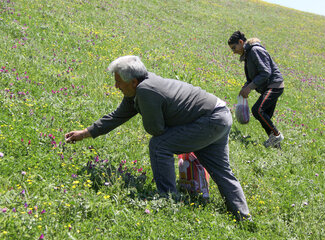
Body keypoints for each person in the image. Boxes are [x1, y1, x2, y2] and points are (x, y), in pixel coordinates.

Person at [65, 55, 251, 221]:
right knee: (221, 171)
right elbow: (117, 116)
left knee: (159, 145)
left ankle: (168, 200)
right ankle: (243, 218)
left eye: (118, 82)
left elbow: (156, 130)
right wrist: (85, 133)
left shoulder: (146, 91)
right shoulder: (142, 86)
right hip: (220, 114)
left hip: (209, 120)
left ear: (133, 82)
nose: (116, 86)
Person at [228, 30, 284, 148]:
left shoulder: (255, 51)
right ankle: (277, 148)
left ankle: (277, 135)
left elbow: (266, 72)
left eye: (234, 47)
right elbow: (252, 77)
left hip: (274, 85)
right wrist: (245, 86)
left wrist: (250, 87)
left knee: (258, 110)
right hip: (269, 86)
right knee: (265, 118)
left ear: (241, 42)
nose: (233, 52)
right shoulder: (248, 55)